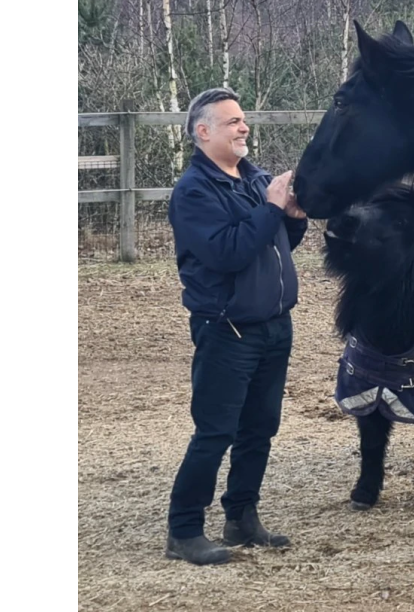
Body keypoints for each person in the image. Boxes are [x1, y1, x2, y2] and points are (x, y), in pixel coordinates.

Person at [165, 87, 308, 566]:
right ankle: (184, 530)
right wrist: (271, 209)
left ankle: (242, 517)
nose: (244, 127)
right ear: (203, 132)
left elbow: (276, 244)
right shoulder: (194, 192)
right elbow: (227, 252)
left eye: (243, 120)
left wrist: (292, 218)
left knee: (260, 428)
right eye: (232, 122)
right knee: (216, 431)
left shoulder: (254, 178)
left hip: (274, 325)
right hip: (228, 330)